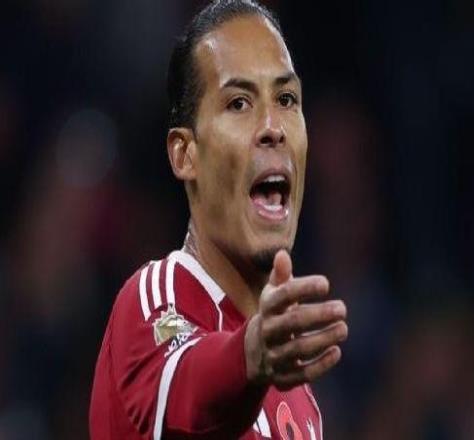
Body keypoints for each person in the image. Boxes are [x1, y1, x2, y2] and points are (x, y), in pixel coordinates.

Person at [89, 1, 348, 438]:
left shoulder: (299, 398)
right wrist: (248, 356)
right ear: (184, 154)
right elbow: (184, 396)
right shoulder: (157, 299)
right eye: (239, 103)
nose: (273, 127)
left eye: (286, 99)